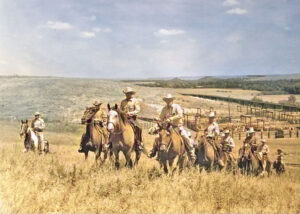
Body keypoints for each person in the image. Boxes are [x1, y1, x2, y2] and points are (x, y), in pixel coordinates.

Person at [148, 94, 196, 162]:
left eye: (169, 100)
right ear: (165, 101)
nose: (168, 101)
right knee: (158, 137)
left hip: (177, 126)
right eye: (167, 100)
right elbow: (161, 118)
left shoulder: (176, 107)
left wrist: (171, 119)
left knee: (185, 137)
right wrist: (157, 119)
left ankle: (191, 154)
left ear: (172, 100)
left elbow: (180, 115)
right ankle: (154, 151)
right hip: (167, 127)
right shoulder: (164, 109)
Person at [120, 87, 144, 151]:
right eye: (126, 93)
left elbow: (137, 110)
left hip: (132, 118)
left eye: (129, 93)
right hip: (123, 118)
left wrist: (130, 113)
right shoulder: (123, 101)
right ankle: (111, 142)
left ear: (131, 94)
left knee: (139, 128)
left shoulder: (135, 101)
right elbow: (120, 109)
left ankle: (139, 142)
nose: (127, 95)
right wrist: (122, 113)